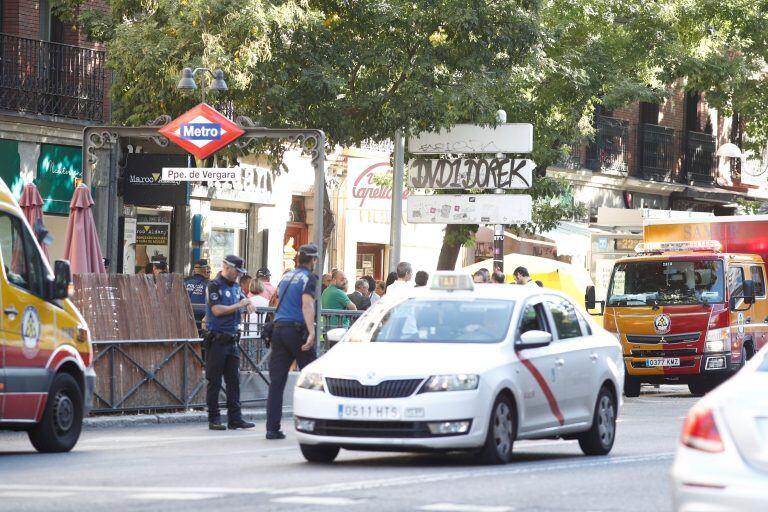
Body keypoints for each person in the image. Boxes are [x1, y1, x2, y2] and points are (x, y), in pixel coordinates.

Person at [266, 244, 320, 440]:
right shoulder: (309, 278)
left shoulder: (287, 276)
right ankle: (316, 423)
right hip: (296, 330)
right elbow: (307, 304)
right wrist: (312, 332)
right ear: (313, 260)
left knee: (277, 382)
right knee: (314, 379)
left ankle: (272, 428)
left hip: (279, 330)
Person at [204, 255, 256, 431]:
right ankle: (214, 418)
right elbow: (216, 310)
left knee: (234, 381)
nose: (238, 275)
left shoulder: (235, 287)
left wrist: (248, 304)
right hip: (217, 339)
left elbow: (245, 301)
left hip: (232, 339)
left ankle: (235, 419)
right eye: (237, 271)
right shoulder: (214, 285)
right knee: (215, 381)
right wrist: (239, 305)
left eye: (240, 272)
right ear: (226, 266)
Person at [184, 258, 210, 334]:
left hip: (185, 316)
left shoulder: (185, 281)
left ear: (194, 270)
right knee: (199, 340)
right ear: (205, 270)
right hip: (201, 319)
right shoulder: (208, 284)